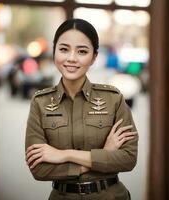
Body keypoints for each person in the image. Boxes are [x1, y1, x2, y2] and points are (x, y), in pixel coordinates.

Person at [25, 18, 138, 200]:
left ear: (94, 57)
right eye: (63, 49)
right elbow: (39, 169)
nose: (71, 58)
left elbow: (128, 158)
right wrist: (105, 154)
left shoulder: (113, 99)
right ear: (54, 52)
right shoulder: (40, 102)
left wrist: (64, 155)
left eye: (82, 51)